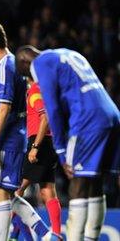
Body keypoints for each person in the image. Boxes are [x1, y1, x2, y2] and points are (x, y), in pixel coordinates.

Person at [16, 45, 120, 240]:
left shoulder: (40, 64)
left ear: (25, 64)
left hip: (88, 121)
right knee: (95, 184)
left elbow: (52, 110)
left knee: (78, 184)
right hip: (111, 115)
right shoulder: (67, 53)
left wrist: (62, 151)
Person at [0, 20, 59, 241]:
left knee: (0, 194)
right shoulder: (15, 66)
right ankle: (47, 234)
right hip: (18, 139)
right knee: (8, 194)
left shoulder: (3, 67)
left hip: (8, 140)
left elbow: (3, 107)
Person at [10, 50, 62, 240]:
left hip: (40, 143)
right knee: (47, 190)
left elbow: (45, 117)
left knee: (14, 190)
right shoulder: (44, 87)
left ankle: (20, 235)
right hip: (51, 142)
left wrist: (35, 147)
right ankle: (56, 233)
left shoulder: (34, 91)